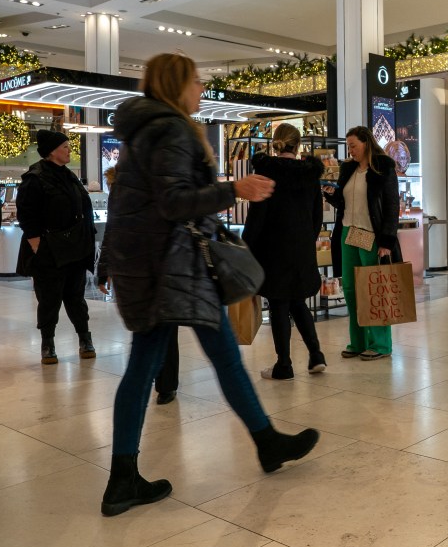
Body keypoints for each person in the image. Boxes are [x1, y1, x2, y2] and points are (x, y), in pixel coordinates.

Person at [100, 52, 319, 516]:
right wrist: (234, 190)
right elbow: (175, 202)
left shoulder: (142, 132)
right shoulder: (172, 129)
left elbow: (143, 203)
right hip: (171, 267)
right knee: (192, 359)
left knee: (163, 363)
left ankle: (262, 442)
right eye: (197, 82)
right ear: (178, 84)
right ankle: (262, 443)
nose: (202, 90)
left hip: (154, 265)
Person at [242, 123, 326, 380]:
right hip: (301, 249)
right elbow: (317, 216)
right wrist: (306, 240)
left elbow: (258, 216)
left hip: (274, 248)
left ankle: (284, 364)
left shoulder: (267, 173)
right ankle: (316, 355)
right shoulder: (310, 176)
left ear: (276, 143)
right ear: (298, 145)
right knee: (298, 300)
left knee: (279, 302)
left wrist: (246, 246)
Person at [95, 165, 178, 405]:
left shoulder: (159, 182)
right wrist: (104, 270)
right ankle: (160, 382)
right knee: (151, 330)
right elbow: (113, 230)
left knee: (160, 329)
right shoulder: (127, 187)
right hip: (141, 268)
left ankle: (164, 383)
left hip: (155, 267)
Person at [16, 130, 97, 364]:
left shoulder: (69, 176)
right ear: (52, 151)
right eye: (65, 146)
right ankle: (47, 344)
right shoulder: (35, 178)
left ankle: (85, 339)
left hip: (75, 249)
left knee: (76, 298)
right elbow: (27, 215)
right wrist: (37, 245)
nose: (70, 150)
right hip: (49, 250)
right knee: (49, 299)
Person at [322, 126, 402, 361]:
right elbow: (343, 202)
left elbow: (391, 206)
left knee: (374, 289)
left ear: (366, 143)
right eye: (349, 146)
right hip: (348, 233)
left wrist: (387, 241)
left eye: (353, 146)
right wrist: (330, 194)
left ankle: (381, 344)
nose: (351, 150)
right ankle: (358, 342)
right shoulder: (348, 168)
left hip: (371, 235)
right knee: (350, 289)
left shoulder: (383, 167)